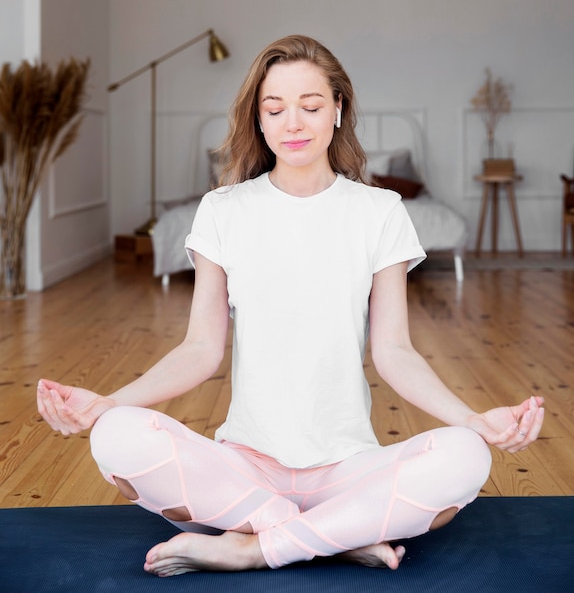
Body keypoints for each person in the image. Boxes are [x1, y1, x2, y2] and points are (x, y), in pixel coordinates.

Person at [37, 35, 544, 577]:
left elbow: (394, 350)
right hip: (247, 467)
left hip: (347, 467)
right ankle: (334, 534)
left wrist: (472, 419)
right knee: (116, 436)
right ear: (258, 118)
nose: (293, 124)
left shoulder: (380, 210)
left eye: (311, 106)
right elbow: (201, 348)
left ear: (339, 109)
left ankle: (254, 545)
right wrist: (107, 402)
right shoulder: (222, 210)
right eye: (275, 109)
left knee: (467, 456)